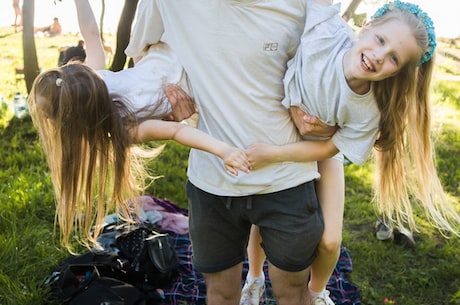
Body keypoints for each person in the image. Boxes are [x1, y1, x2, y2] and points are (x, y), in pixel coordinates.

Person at [243, 1, 460, 304]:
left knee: (330, 240)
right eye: (380, 40)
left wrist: (275, 154)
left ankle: (316, 292)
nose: (378, 55)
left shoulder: (370, 109)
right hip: (278, 130)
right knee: (267, 219)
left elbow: (331, 147)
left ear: (397, 72)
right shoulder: (328, 31)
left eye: (393, 58)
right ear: (368, 27)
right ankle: (254, 279)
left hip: (319, 150)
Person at [125, 1, 326, 304]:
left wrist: (319, 118)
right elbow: (144, 55)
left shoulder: (301, 5)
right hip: (212, 183)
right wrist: (169, 92)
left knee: (293, 292)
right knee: (221, 293)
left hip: (288, 181)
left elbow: (328, 75)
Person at [28, 0, 250, 251]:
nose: (77, 64)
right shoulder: (122, 127)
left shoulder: (95, 81)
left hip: (167, 52)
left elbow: (89, 32)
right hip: (192, 75)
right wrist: (224, 151)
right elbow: (177, 130)